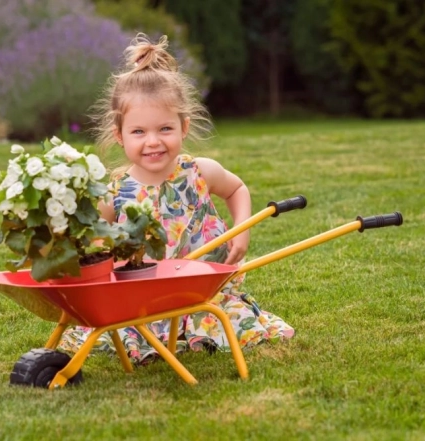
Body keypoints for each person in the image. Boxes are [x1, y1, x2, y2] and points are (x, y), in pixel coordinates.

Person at [57, 33, 294, 364]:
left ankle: (194, 323)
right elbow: (92, 237)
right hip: (143, 297)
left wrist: (242, 227)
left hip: (203, 288)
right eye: (138, 132)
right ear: (119, 136)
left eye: (165, 129)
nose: (153, 141)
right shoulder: (114, 191)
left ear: (183, 127)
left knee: (225, 317)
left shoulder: (199, 172)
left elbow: (237, 189)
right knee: (131, 325)